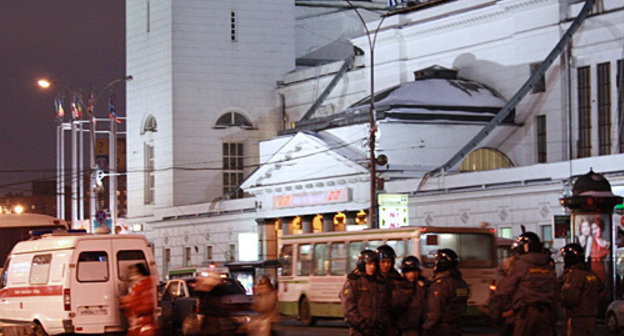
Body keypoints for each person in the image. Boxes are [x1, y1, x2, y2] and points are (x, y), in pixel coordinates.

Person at [493, 231, 558, 336]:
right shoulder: (547, 266)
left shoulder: (521, 265)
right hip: (546, 314)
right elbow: (555, 291)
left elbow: (505, 288)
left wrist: (497, 307)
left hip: (526, 314)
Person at [339, 249, 390, 336]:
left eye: (374, 264)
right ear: (362, 265)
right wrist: (362, 324)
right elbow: (349, 307)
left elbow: (384, 306)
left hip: (377, 331)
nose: (372, 267)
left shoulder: (379, 283)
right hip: (360, 331)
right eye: (369, 264)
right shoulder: (354, 282)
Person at [422, 249, 469, 336]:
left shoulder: (441, 285)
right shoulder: (461, 283)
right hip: (456, 327)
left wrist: (427, 328)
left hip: (440, 329)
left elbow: (435, 311)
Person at [559, 243, 602, 336]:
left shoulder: (575, 275)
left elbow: (569, 297)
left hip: (577, 317)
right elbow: (601, 289)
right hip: (590, 315)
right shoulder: (590, 274)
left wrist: (559, 298)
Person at [393, 256, 428, 336]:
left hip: (422, 329)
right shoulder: (399, 287)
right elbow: (395, 307)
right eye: (408, 271)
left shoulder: (425, 286)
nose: (411, 274)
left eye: (414, 271)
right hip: (404, 329)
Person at [120, 263, 157, 336]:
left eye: (132, 273)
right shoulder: (140, 286)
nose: (130, 276)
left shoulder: (145, 286)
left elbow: (146, 305)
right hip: (139, 324)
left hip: (143, 324)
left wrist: (129, 303)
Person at [589, 217, 609, 282]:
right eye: (592, 229)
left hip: (602, 269)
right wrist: (607, 251)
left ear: (600, 228)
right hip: (593, 269)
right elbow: (595, 254)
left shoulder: (605, 242)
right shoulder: (591, 239)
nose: (594, 231)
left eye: (595, 228)